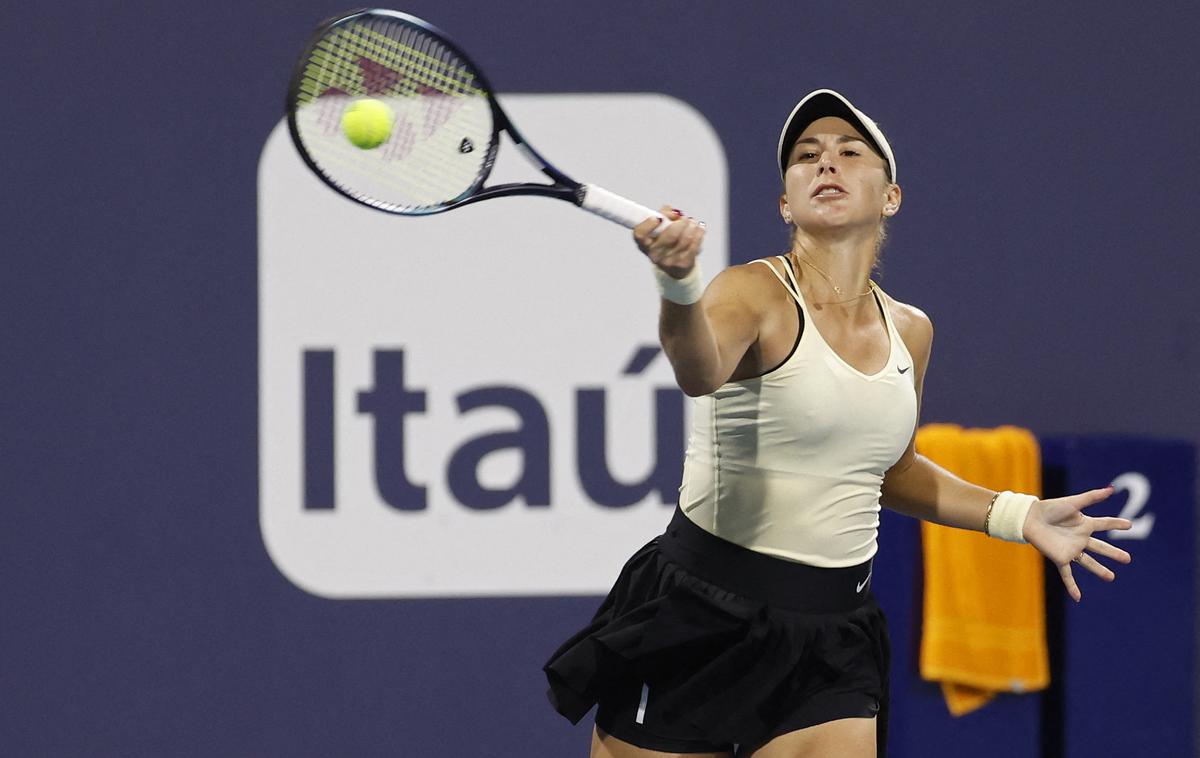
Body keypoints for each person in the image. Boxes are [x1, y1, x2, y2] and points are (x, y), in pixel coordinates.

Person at [544, 89, 1133, 758]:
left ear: (891, 197)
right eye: (806, 156)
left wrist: (1017, 515)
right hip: (701, 617)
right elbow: (697, 372)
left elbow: (891, 471)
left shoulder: (912, 330)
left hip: (833, 636)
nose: (827, 162)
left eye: (851, 152)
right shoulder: (751, 292)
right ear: (785, 205)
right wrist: (679, 285)